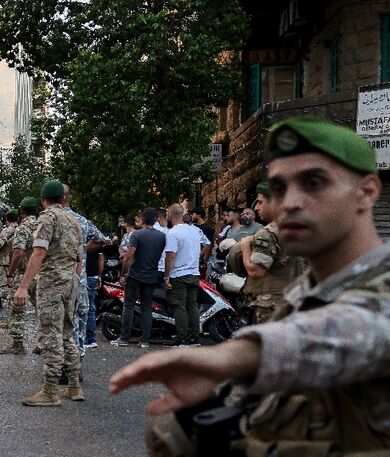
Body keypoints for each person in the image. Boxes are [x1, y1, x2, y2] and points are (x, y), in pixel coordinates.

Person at [109, 116, 390, 455]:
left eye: (314, 183)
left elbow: (357, 328)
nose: (290, 203)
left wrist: (231, 357)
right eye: (280, 188)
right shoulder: (305, 293)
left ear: (367, 192)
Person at [13, 181, 83, 406]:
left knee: (49, 334)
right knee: (67, 333)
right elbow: (79, 259)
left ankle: (50, 391)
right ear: (64, 199)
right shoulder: (74, 221)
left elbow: (39, 252)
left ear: (44, 200)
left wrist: (23, 285)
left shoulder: (47, 218)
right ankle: (74, 386)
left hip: (51, 283)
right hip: (70, 281)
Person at [238, 181, 301, 324]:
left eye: (260, 202)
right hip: (296, 300)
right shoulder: (300, 228)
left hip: (271, 307)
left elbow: (256, 271)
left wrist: (245, 247)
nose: (256, 207)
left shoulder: (268, 233)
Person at [63, 185, 106, 360]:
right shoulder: (81, 221)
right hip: (78, 279)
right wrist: (85, 249)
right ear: (68, 198)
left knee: (59, 322)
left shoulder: (47, 220)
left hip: (57, 281)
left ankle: (61, 363)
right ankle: (76, 361)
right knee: (79, 319)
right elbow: (102, 239)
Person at [113, 209, 166, 348]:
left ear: (142, 220)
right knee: (147, 307)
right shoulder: (161, 236)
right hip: (152, 274)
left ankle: (124, 339)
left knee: (129, 306)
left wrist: (123, 274)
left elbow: (129, 255)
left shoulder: (136, 235)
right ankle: (145, 340)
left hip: (136, 274)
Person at [162, 203, 210, 346]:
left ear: (170, 216)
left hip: (178, 274)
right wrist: (201, 258)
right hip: (194, 273)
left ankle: (181, 337)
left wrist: (166, 276)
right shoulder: (194, 230)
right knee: (192, 306)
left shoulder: (173, 232)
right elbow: (207, 244)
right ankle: (195, 337)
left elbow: (170, 255)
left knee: (179, 306)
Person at [1, 198, 40, 354]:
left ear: (22, 211)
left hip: (24, 274)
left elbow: (18, 253)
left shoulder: (22, 228)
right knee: (42, 309)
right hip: (42, 274)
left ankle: (18, 344)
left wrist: (10, 273)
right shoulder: (43, 226)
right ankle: (43, 344)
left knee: (17, 308)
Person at [0, 209, 19, 330]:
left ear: (7, 219)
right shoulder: (21, 229)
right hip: (17, 264)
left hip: (6, 265)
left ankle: (10, 321)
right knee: (14, 293)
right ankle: (15, 319)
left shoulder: (7, 230)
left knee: (5, 294)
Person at [190, 207, 215, 278]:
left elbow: (210, 245)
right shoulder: (192, 227)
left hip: (202, 259)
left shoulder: (208, 228)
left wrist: (204, 260)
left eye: (193, 214)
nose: (191, 216)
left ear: (199, 215)